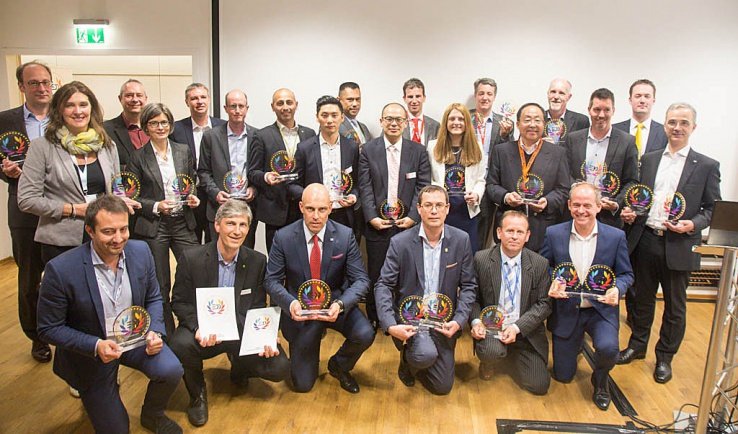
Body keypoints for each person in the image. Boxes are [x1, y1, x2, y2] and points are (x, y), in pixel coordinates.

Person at [36, 194, 183, 434]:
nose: (118, 238)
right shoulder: (61, 269)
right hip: (93, 351)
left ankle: (152, 414)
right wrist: (95, 346)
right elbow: (48, 328)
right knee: (116, 430)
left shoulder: (141, 251)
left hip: (135, 338)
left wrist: (155, 331)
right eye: (108, 231)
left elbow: (154, 297)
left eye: (123, 229)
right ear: (90, 231)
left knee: (171, 369)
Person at [617, 103, 721, 384]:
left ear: (693, 128)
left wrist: (693, 225)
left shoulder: (707, 165)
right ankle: (637, 346)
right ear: (664, 125)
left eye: (683, 123)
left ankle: (664, 357)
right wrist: (631, 212)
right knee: (641, 300)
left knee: (675, 307)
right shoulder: (649, 159)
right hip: (647, 239)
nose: (677, 128)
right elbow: (641, 199)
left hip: (680, 243)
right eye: (672, 122)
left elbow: (712, 208)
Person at [170, 199, 290, 427]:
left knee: (279, 367)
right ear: (217, 225)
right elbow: (180, 302)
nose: (237, 231)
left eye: (243, 225)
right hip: (204, 332)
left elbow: (256, 305)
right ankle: (197, 396)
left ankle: (240, 366)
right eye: (230, 223)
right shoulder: (191, 258)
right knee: (179, 345)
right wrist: (198, 328)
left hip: (239, 329)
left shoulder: (256, 261)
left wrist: (264, 334)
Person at [265, 184, 374, 393]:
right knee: (303, 385)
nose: (316, 216)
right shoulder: (283, 237)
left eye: (322, 209)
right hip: (300, 311)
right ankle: (308, 348)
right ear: (301, 207)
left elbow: (361, 280)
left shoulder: (345, 235)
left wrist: (341, 304)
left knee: (364, 333)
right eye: (310, 209)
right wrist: (291, 303)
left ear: (330, 208)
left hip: (334, 302)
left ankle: (339, 365)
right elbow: (271, 281)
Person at [18, 81, 138, 265]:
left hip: (103, 237)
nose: (78, 111)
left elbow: (115, 188)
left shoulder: (107, 145)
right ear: (59, 110)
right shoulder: (42, 147)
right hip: (60, 241)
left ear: (92, 108)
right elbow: (27, 200)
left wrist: (121, 200)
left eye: (83, 104)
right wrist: (73, 209)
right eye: (69, 105)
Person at [540, 182, 634, 411]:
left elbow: (626, 274)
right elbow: (544, 266)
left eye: (587, 205)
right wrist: (552, 281)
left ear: (599, 206)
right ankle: (575, 344)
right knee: (563, 376)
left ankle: (601, 380)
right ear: (569, 205)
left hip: (599, 311)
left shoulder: (615, 236)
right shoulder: (554, 233)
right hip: (566, 310)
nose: (581, 210)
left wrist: (617, 289)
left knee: (608, 348)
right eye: (577, 205)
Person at [374, 185, 476, 395]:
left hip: (443, 321)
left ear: (447, 209)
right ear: (419, 209)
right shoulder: (399, 242)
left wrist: (458, 321)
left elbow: (468, 286)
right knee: (425, 355)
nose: (434, 211)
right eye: (428, 205)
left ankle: (422, 354)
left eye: (439, 205)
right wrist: (391, 325)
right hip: (412, 321)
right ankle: (409, 361)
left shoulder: (461, 240)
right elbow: (383, 285)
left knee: (443, 387)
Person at [126, 103, 199, 338]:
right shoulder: (137, 156)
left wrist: (193, 195)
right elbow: (131, 194)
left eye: (164, 122)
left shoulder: (183, 150)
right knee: (160, 282)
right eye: (154, 123)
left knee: (195, 272)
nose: (160, 127)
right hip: (154, 225)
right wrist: (156, 206)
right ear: (146, 127)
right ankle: (165, 333)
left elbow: (191, 180)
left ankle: (192, 326)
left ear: (171, 124)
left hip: (182, 221)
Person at [358, 102, 431, 327]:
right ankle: (376, 317)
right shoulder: (368, 150)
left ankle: (404, 315)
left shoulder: (417, 151)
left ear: (405, 123)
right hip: (377, 225)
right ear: (381, 121)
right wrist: (371, 217)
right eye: (388, 119)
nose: (393, 123)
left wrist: (412, 217)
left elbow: (422, 186)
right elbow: (365, 186)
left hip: (407, 225)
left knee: (406, 272)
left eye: (398, 119)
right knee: (377, 273)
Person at [0, 61, 51, 362]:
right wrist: (7, 171)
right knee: (29, 276)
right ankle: (37, 337)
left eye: (46, 82)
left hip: (61, 206)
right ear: (22, 86)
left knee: (64, 272)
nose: (42, 88)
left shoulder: (64, 117)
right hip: (23, 209)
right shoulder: (5, 120)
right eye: (34, 83)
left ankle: (66, 330)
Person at [471, 211, 552, 395]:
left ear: (527, 236)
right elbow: (473, 298)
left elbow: (544, 304)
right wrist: (476, 322)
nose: (514, 236)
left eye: (520, 232)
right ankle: (492, 360)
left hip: (524, 331)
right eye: (509, 231)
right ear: (499, 233)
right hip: (492, 328)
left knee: (539, 386)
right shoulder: (482, 259)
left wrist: (516, 328)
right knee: (491, 351)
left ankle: (512, 356)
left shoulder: (539, 263)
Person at [486, 102, 571, 252]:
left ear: (544, 124)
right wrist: (506, 196)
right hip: (509, 227)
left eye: (537, 120)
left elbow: (563, 189)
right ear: (518, 124)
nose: (532, 124)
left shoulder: (558, 153)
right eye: (527, 120)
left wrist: (548, 201)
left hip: (543, 226)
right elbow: (491, 185)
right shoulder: (501, 151)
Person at [249, 88, 316, 251]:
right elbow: (252, 172)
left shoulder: (309, 134)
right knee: (276, 260)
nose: (285, 107)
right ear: (273, 107)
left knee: (302, 259)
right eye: (280, 103)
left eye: (289, 102)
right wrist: (266, 177)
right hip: (275, 209)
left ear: (296, 105)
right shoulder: (262, 135)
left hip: (303, 208)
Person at [565, 88, 638, 228]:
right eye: (596, 109)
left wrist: (616, 203)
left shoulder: (627, 142)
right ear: (589, 110)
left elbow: (632, 181)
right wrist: (576, 189)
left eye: (607, 110)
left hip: (608, 219)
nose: (601, 115)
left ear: (613, 111)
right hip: (575, 214)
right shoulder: (573, 139)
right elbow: (564, 173)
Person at [198, 89, 258, 246]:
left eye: (241, 106)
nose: (237, 110)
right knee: (215, 257)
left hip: (246, 207)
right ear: (225, 108)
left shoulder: (257, 136)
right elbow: (203, 172)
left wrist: (254, 188)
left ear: (247, 108)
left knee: (245, 257)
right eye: (233, 106)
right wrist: (216, 193)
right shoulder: (211, 136)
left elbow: (259, 170)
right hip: (220, 207)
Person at [290, 96, 359, 231]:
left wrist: (354, 196)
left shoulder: (352, 147)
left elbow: (358, 182)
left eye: (334, 115)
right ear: (317, 117)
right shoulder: (304, 148)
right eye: (324, 115)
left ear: (342, 117)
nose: (329, 120)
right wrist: (311, 198)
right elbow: (292, 184)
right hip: (314, 216)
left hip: (344, 215)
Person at [170, 83, 227, 244]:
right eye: (194, 98)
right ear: (187, 102)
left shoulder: (223, 126)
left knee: (214, 243)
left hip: (216, 194)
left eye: (203, 97)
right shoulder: (176, 130)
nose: (199, 101)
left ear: (209, 100)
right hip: (191, 197)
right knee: (191, 245)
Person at [427, 103, 486, 253]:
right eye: (452, 118)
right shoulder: (432, 147)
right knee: (442, 253)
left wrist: (476, 195)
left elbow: (480, 179)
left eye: (461, 119)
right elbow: (430, 179)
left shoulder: (477, 147)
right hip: (441, 212)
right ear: (445, 122)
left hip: (467, 211)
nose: (456, 123)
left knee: (467, 254)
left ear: (467, 123)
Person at [469, 77, 514, 250]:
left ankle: (479, 262)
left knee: (485, 227)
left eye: (489, 94)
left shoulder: (505, 123)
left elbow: (508, 154)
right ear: (475, 95)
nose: (485, 97)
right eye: (481, 93)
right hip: (469, 180)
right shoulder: (465, 119)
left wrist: (505, 135)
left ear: (494, 97)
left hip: (491, 181)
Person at [613, 79, 668, 158]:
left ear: (653, 100)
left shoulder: (664, 132)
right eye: (638, 96)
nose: (642, 100)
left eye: (647, 96)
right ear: (630, 100)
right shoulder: (615, 130)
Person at [103, 79, 149, 170]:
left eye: (139, 95)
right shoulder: (105, 130)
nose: (135, 99)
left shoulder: (157, 129)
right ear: (120, 99)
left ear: (145, 99)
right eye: (129, 95)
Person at [545, 78, 590, 145]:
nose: (556, 96)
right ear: (548, 94)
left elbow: (582, 150)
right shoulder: (536, 119)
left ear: (569, 97)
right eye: (553, 92)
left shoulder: (581, 121)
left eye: (561, 93)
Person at [401, 78, 440, 146]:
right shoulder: (396, 124)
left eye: (418, 96)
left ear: (424, 98)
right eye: (410, 97)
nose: (414, 101)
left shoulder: (435, 126)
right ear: (405, 99)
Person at [338, 82, 373, 146]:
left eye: (358, 99)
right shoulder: (334, 125)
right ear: (339, 100)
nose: (355, 104)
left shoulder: (364, 127)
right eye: (350, 100)